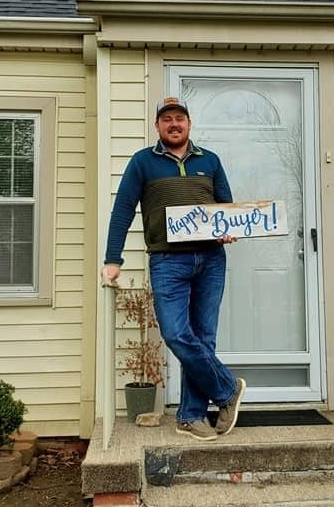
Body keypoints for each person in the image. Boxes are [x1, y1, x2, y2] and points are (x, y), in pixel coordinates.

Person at [100, 96, 246, 441]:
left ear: (189, 124)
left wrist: (227, 228)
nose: (174, 124)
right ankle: (226, 390)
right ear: (158, 126)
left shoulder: (209, 161)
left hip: (210, 259)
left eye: (180, 118)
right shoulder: (143, 162)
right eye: (167, 119)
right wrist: (112, 259)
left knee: (203, 337)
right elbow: (122, 211)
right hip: (168, 261)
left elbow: (225, 207)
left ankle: (192, 416)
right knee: (177, 334)